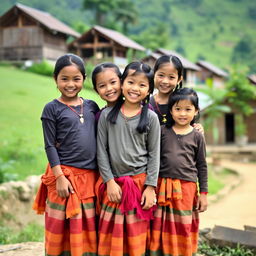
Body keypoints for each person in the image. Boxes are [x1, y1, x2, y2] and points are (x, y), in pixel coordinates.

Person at [33, 54, 99, 256]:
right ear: (55, 79)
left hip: (88, 178)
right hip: (64, 177)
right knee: (60, 229)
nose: (70, 84)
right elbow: (50, 146)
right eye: (65, 79)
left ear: (84, 79)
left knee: (87, 229)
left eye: (76, 79)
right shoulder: (52, 109)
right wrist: (60, 177)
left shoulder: (91, 106)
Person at [96, 61, 161, 256]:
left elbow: (154, 154)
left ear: (149, 89)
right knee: (111, 239)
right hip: (113, 186)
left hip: (139, 187)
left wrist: (150, 187)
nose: (135, 88)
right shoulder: (107, 115)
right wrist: (109, 182)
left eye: (142, 85)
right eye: (131, 82)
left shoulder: (151, 118)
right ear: (123, 83)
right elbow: (101, 151)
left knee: (135, 240)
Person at [149, 87, 208, 256]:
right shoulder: (161, 131)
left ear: (196, 111)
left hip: (187, 188)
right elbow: (153, 158)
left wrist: (203, 193)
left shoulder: (197, 136)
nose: (183, 114)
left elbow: (202, 165)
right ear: (171, 110)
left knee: (183, 224)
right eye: (178, 109)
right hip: (162, 186)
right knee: (161, 224)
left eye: (188, 109)